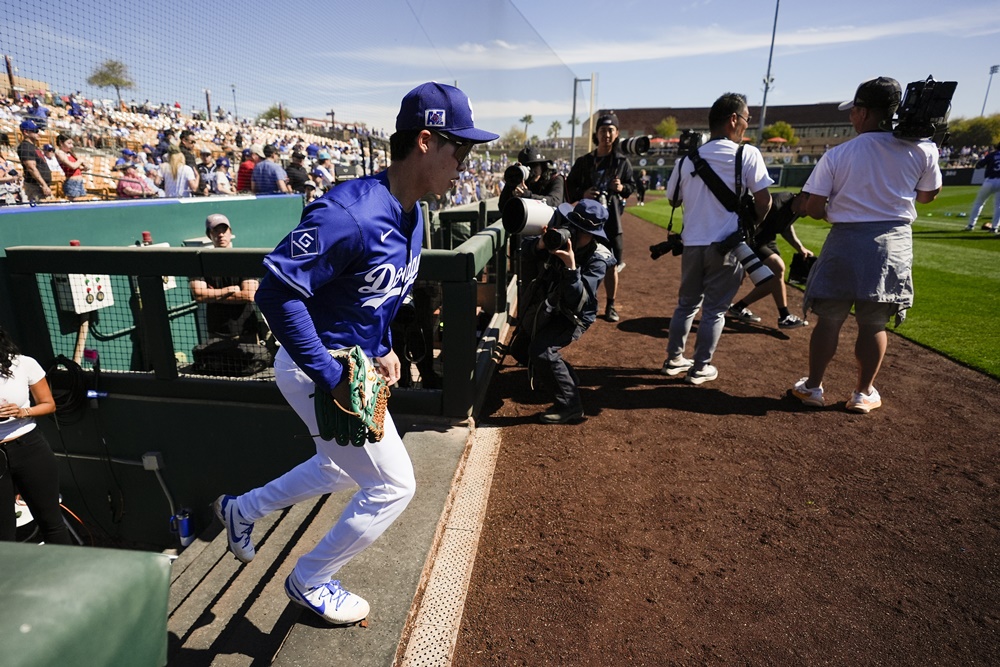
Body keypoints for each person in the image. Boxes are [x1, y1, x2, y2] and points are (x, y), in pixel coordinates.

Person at [213, 82, 497, 625]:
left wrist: (384, 346)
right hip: (312, 365)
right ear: (424, 141)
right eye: (457, 149)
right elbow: (276, 292)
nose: (464, 162)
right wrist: (329, 375)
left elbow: (371, 297)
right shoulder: (350, 212)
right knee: (394, 485)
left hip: (351, 362)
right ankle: (310, 578)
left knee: (340, 469)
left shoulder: (412, 213)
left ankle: (240, 510)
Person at [790, 77, 941, 414]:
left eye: (854, 111)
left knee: (829, 319)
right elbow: (928, 196)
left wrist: (837, 215)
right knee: (873, 323)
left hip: (844, 239)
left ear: (864, 112)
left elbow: (813, 208)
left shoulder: (839, 153)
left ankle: (813, 387)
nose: (851, 117)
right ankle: (863, 392)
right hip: (892, 241)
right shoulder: (924, 148)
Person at [660, 93, 773, 385]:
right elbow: (764, 200)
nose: (747, 125)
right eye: (746, 119)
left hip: (692, 244)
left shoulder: (687, 159)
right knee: (714, 310)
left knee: (686, 305)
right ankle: (700, 367)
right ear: (733, 119)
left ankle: (674, 360)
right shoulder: (747, 154)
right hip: (728, 245)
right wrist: (754, 225)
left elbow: (673, 199)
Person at [510, 200, 615, 423]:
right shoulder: (558, 237)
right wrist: (540, 245)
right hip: (549, 306)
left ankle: (571, 406)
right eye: (574, 227)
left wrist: (571, 268)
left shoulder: (597, 259)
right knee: (520, 349)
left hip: (573, 315)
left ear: (594, 235)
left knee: (541, 351)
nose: (576, 235)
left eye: (584, 232)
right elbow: (523, 250)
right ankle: (565, 376)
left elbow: (578, 301)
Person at [0, 325, 71, 545]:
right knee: (3, 534)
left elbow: (48, 404)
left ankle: (71, 575)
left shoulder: (24, 364)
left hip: (29, 447)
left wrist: (23, 411)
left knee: (52, 523)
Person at [566, 112, 635, 322]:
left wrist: (622, 188)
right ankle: (577, 303)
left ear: (616, 134)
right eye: (603, 130)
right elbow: (569, 187)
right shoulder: (585, 161)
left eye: (611, 130)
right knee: (579, 259)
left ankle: (611, 306)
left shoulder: (622, 162)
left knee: (611, 264)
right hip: (585, 220)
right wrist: (583, 194)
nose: (607, 134)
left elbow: (631, 187)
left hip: (611, 220)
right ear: (597, 133)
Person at [727, 190, 811, 329]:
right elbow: (752, 224)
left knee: (773, 279)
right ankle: (784, 316)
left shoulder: (798, 209)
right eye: (812, 201)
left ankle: (738, 307)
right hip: (752, 238)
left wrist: (800, 247)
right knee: (778, 267)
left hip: (767, 239)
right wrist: (741, 261)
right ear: (803, 196)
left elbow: (786, 227)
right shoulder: (778, 203)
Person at [498, 145, 565, 211]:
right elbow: (502, 206)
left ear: (542, 166)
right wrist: (512, 181)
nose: (532, 172)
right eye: (527, 166)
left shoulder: (555, 179)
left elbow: (555, 202)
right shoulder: (522, 180)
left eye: (535, 166)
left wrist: (529, 196)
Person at [965, 142, 1000, 234]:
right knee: (998, 206)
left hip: (990, 180)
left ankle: (971, 225)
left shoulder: (992, 155)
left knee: (979, 203)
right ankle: (994, 228)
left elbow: (979, 165)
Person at [17, 120, 52, 202]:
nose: (38, 133)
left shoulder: (33, 146)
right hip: (35, 186)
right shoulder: (25, 147)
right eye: (35, 131)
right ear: (26, 132)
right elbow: (31, 168)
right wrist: (43, 185)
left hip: (40, 186)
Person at [54, 134, 87, 201]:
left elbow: (76, 167)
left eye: (72, 143)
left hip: (79, 181)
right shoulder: (59, 153)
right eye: (69, 143)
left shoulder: (70, 153)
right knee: (75, 204)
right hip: (72, 182)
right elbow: (72, 166)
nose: (71, 146)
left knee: (82, 203)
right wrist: (80, 160)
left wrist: (84, 168)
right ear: (61, 143)